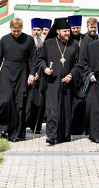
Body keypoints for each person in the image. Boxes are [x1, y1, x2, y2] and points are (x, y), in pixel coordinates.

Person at [0, 18, 36, 142]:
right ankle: (3, 127)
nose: (16, 33)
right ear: (10, 28)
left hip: (22, 72)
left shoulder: (29, 40)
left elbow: (33, 59)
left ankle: (16, 132)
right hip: (7, 72)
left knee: (18, 103)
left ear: (22, 28)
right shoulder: (4, 40)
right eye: (14, 31)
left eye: (18, 30)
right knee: (5, 100)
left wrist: (32, 74)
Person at [38, 17, 79, 145]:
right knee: (52, 109)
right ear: (57, 31)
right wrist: (45, 69)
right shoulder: (49, 43)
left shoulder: (74, 45)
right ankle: (51, 135)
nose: (68, 33)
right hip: (52, 82)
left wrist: (71, 75)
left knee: (65, 109)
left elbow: (79, 65)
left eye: (68, 31)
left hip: (67, 83)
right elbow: (40, 60)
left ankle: (64, 135)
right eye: (65, 31)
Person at [26, 18, 45, 134]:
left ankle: (36, 127)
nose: (36, 32)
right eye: (34, 30)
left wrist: (38, 73)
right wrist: (31, 74)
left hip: (41, 78)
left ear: (42, 31)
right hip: (27, 76)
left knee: (39, 102)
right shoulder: (27, 43)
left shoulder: (44, 45)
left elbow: (45, 60)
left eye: (38, 30)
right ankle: (26, 123)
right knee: (27, 102)